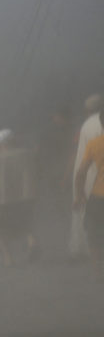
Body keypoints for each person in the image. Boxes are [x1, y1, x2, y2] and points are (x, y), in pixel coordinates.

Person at [0, 129, 39, 266]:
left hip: (3, 199)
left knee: (0, 228)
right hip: (26, 195)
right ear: (14, 140)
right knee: (27, 221)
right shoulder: (27, 154)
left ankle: (8, 258)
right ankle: (32, 242)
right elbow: (37, 171)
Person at [68, 94, 103, 260]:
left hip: (94, 180)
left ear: (87, 109)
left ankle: (95, 264)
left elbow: (82, 160)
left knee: (92, 225)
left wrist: (79, 191)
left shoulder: (87, 125)